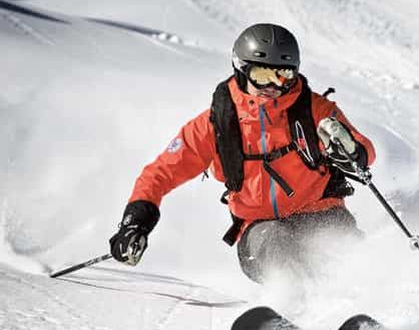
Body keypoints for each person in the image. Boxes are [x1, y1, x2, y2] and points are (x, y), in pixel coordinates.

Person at [109, 23, 376, 283]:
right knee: (276, 245)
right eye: (262, 75)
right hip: (261, 228)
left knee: (346, 250)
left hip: (322, 212)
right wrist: (135, 223)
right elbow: (162, 172)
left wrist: (350, 151)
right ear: (241, 69)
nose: (273, 85)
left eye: (283, 75)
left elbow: (364, 151)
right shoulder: (218, 123)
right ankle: (294, 309)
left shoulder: (315, 110)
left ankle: (379, 306)